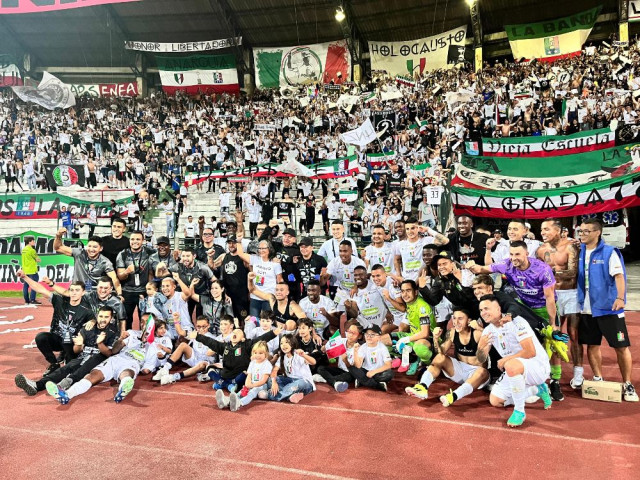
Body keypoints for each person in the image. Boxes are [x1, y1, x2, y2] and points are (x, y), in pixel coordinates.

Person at [576, 218, 637, 402]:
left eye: (587, 231)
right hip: (586, 308)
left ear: (597, 233)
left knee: (621, 346)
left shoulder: (609, 252)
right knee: (592, 344)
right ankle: (597, 378)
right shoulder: (580, 251)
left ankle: (627, 384)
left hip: (609, 308)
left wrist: (620, 298)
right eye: (580, 231)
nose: (582, 234)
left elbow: (619, 276)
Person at [477, 295, 553, 427]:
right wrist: (480, 346)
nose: (483, 313)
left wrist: (505, 360)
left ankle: (519, 411)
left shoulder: (517, 322)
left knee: (510, 365)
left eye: (486, 308)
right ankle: (536, 390)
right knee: (495, 400)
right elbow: (481, 359)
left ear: (498, 308)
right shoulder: (488, 331)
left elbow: (530, 352)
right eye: (481, 310)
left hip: (537, 366)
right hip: (515, 367)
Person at [14, 306, 119, 396]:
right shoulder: (88, 327)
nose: (103, 319)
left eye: (106, 317)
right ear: (97, 316)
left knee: (93, 359)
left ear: (111, 318)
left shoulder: (113, 331)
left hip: (100, 361)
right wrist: (78, 344)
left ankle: (67, 382)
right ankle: (37, 385)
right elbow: (76, 351)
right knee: (66, 368)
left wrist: (100, 343)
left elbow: (109, 354)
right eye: (101, 316)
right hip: (83, 357)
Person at [47, 324, 161, 405]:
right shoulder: (131, 335)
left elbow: (147, 369)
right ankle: (67, 395)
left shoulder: (154, 346)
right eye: (142, 322)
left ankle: (124, 388)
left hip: (133, 363)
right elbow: (115, 350)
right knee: (92, 375)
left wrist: (155, 359)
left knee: (126, 374)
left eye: (147, 324)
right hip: (116, 359)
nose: (143, 325)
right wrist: (121, 340)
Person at [405, 308, 489, 406]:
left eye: (460, 319)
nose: (456, 322)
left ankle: (453, 396)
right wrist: (436, 339)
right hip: (460, 370)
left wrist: (480, 329)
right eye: (454, 318)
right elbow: (440, 353)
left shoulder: (478, 334)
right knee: (440, 357)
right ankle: (422, 387)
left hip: (478, 375)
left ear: (469, 321)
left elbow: (492, 345)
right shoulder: (452, 332)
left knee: (482, 371)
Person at [18, 272, 95, 375]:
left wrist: (93, 321)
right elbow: (40, 289)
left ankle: (69, 362)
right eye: (71, 290)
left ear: (83, 292)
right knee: (40, 337)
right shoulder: (60, 301)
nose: (74, 293)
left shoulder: (87, 311)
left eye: (77, 290)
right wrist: (25, 277)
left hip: (72, 344)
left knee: (69, 370)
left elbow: (96, 323)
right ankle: (54, 364)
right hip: (57, 339)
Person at [538, 218, 583, 392]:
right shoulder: (541, 250)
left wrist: (549, 272)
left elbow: (572, 272)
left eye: (546, 229)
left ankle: (578, 372)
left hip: (570, 294)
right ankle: (550, 374)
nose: (543, 232)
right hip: (551, 295)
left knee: (573, 333)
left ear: (557, 230)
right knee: (553, 334)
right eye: (542, 229)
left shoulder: (570, 246)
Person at [188, 322, 283, 393]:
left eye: (238, 332)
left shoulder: (247, 345)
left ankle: (222, 384)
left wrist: (274, 332)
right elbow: (210, 342)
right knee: (210, 368)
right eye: (234, 332)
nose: (235, 333)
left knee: (244, 375)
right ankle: (226, 384)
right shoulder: (224, 346)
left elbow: (261, 338)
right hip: (226, 375)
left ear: (243, 338)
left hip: (239, 376)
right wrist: (197, 336)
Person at [153, 315, 216, 385]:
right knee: (183, 345)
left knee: (202, 364)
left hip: (205, 363)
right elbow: (180, 332)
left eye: (204, 326)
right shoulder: (194, 333)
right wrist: (176, 320)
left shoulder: (213, 338)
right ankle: (165, 369)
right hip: (195, 358)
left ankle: (173, 377)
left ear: (208, 325)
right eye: (198, 326)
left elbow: (209, 354)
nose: (201, 329)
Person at [54, 230, 121, 294]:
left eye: (95, 247)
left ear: (101, 248)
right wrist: (58, 235)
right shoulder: (79, 253)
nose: (91, 249)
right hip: (76, 291)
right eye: (89, 246)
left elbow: (114, 278)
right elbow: (58, 247)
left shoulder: (105, 262)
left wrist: (119, 294)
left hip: (93, 294)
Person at [116, 230, 154, 329]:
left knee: (146, 318)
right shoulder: (123, 254)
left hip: (144, 291)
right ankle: (127, 341)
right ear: (129, 241)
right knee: (126, 319)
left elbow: (154, 269)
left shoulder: (150, 252)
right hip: (127, 291)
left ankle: (145, 341)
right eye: (132, 239)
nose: (135, 241)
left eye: (138, 239)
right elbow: (120, 276)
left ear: (143, 241)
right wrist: (127, 271)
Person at [219, 341, 272, 411]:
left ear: (266, 354)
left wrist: (252, 386)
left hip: (261, 385)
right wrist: (247, 384)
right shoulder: (252, 362)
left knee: (252, 392)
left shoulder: (267, 364)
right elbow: (249, 375)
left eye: (260, 353)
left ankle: (239, 403)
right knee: (241, 392)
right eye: (255, 353)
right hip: (251, 384)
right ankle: (226, 401)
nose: (257, 355)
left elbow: (263, 381)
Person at [264, 334, 316, 404]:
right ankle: (290, 396)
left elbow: (313, 362)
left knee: (298, 384)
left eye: (286, 342)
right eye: (281, 343)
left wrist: (304, 355)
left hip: (304, 381)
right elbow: (274, 371)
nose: (283, 345)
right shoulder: (282, 357)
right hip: (289, 380)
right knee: (270, 380)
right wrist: (274, 383)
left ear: (292, 343)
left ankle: (271, 395)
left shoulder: (298, 354)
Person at [236, 239, 283, 316]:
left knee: (267, 321)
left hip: (268, 297)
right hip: (255, 296)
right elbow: (240, 254)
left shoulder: (275, 264)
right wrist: (238, 241)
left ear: (269, 249)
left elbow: (280, 280)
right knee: (254, 321)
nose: (261, 250)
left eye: (263, 248)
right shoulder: (255, 259)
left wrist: (280, 296)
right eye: (259, 248)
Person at [315, 320, 362, 392]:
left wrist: (345, 360)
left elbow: (354, 368)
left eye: (353, 333)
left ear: (359, 336)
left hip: (350, 372)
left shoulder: (359, 348)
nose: (350, 335)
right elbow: (330, 350)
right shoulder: (340, 341)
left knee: (349, 376)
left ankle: (326, 379)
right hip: (339, 370)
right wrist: (325, 348)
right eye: (349, 332)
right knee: (321, 368)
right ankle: (334, 382)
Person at [349, 324, 393, 391]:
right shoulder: (363, 347)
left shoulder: (382, 348)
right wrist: (355, 352)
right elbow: (358, 365)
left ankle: (362, 381)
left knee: (389, 374)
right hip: (366, 371)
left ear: (378, 337)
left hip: (378, 372)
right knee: (352, 368)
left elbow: (388, 365)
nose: (369, 337)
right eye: (367, 334)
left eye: (372, 335)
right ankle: (377, 385)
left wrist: (374, 372)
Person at [21, 235, 41, 304]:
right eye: (33, 241)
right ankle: (32, 299)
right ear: (29, 242)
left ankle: (26, 300)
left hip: (25, 270)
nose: (34, 242)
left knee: (26, 285)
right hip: (32, 270)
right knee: (34, 284)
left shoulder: (23, 250)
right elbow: (38, 259)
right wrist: (37, 259)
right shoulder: (32, 250)